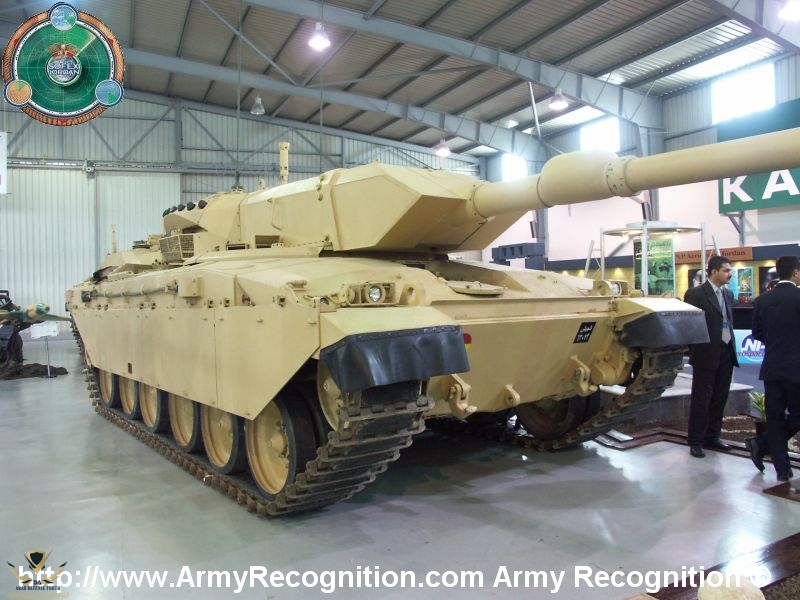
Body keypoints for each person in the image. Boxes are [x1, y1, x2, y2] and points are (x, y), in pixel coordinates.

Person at [745, 255, 800, 482]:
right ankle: (761, 443)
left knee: (775, 418)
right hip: (796, 370)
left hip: (772, 367)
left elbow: (757, 333)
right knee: (796, 417)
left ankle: (781, 470)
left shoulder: (762, 300)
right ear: (795, 272)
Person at [684, 255, 739, 458]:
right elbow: (689, 325)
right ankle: (695, 441)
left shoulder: (728, 294)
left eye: (730, 270)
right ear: (714, 271)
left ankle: (712, 436)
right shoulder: (696, 294)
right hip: (705, 353)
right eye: (726, 270)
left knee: (720, 397)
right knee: (701, 399)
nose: (730, 274)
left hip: (726, 351)